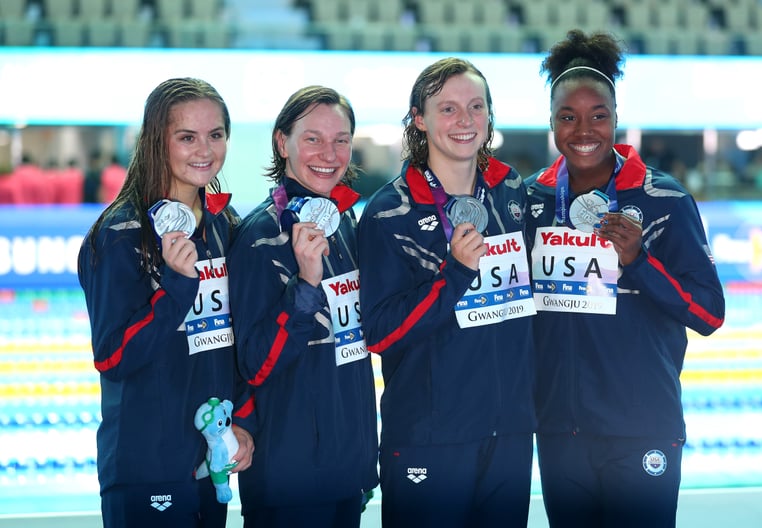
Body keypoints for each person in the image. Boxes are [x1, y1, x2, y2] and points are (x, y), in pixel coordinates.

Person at [524, 30, 726, 528]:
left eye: (599, 116)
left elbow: (708, 313)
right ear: (551, 123)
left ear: (616, 118)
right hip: (559, 430)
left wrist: (639, 261)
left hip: (642, 427)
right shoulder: (528, 202)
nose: (583, 129)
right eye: (567, 117)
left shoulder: (664, 200)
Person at [358, 57, 537, 527]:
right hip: (430, 436)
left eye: (476, 107)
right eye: (449, 109)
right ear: (420, 118)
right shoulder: (388, 213)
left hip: (509, 435)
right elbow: (378, 334)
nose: (465, 121)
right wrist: (454, 275)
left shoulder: (510, 191)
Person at [77, 77, 254, 528]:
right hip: (146, 463)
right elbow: (113, 356)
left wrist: (244, 420)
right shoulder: (120, 235)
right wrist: (175, 288)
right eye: (187, 137)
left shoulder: (223, 224)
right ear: (158, 141)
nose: (205, 150)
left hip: (209, 459)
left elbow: (235, 338)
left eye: (216, 135)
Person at [227, 85, 378, 528]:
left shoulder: (345, 221)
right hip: (290, 476)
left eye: (341, 140)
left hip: (348, 467)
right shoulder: (259, 237)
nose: (328, 153)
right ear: (282, 142)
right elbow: (256, 365)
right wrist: (306, 284)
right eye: (312, 138)